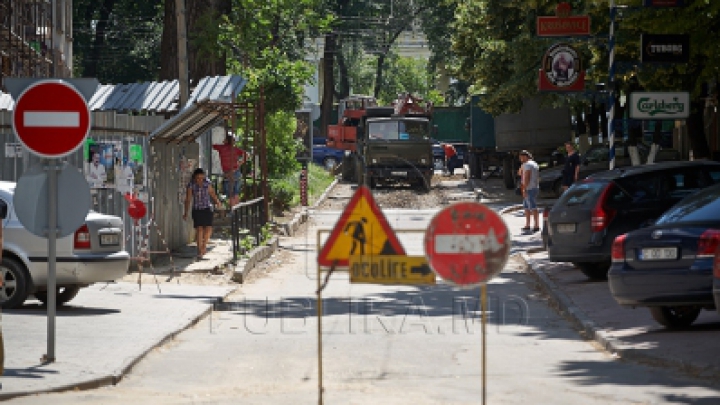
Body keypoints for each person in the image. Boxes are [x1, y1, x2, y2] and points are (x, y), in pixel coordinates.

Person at [183, 168, 222, 260]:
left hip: (207, 208)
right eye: (198, 178)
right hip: (197, 209)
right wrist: (186, 212)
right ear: (195, 178)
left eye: (201, 178)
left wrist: (217, 201)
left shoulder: (207, 182)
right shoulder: (191, 185)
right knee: (199, 229)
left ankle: (204, 245)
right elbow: (188, 199)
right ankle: (200, 250)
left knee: (208, 229)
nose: (200, 180)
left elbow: (212, 193)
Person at [212, 134, 249, 208]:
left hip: (228, 173)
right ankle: (236, 212)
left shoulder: (221, 148)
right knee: (236, 193)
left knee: (230, 194)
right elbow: (247, 155)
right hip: (236, 171)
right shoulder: (235, 149)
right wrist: (239, 164)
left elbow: (212, 146)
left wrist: (223, 142)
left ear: (226, 140)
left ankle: (232, 212)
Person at [519, 150, 540, 233]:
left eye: (521, 157)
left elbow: (527, 177)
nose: (520, 159)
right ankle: (528, 225)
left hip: (529, 188)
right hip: (534, 187)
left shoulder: (527, 165)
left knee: (532, 207)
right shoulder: (534, 164)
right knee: (527, 207)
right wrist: (522, 166)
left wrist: (524, 188)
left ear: (525, 156)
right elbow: (520, 173)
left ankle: (536, 225)